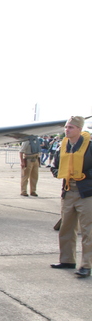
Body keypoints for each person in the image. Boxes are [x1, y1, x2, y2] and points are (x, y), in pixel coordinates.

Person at [50, 116, 92, 278]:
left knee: (88, 231)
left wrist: (84, 175)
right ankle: (67, 260)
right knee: (66, 228)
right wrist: (58, 172)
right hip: (68, 191)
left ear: (80, 129)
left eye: (71, 127)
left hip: (86, 193)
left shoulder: (90, 146)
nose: (67, 130)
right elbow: (55, 165)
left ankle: (86, 265)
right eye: (66, 127)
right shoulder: (64, 146)